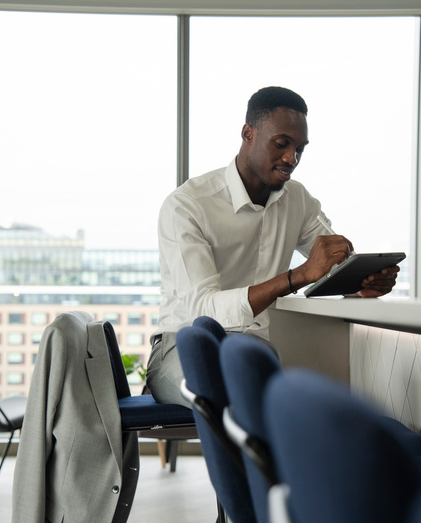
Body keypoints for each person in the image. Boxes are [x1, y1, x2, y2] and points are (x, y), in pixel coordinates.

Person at [146, 86, 399, 406]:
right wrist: (295, 277)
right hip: (182, 345)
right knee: (229, 393)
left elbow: (330, 261)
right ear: (247, 133)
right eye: (281, 144)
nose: (291, 158)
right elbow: (203, 311)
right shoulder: (187, 205)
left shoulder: (298, 200)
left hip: (251, 345)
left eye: (300, 149)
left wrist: (360, 283)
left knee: (284, 400)